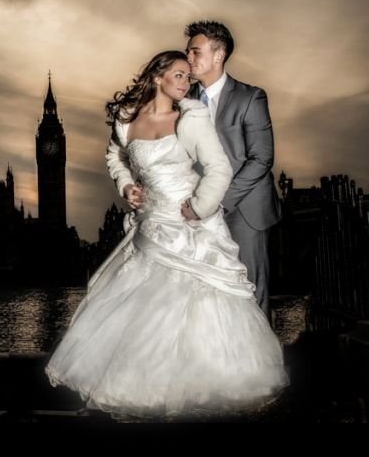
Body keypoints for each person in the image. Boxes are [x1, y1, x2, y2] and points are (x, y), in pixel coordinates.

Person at [44, 51, 288, 419]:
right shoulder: (126, 121)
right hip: (151, 225)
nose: (186, 82)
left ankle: (202, 393)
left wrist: (200, 206)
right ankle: (152, 395)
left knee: (198, 308)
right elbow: (115, 157)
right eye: (178, 75)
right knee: (148, 312)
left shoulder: (192, 116)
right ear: (157, 76)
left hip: (192, 226)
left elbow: (219, 169)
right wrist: (126, 186)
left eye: (188, 77)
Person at [185, 21, 282, 320]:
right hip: (198, 211)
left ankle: (262, 365)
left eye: (195, 51)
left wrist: (218, 199)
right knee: (204, 291)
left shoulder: (250, 97)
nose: (188, 58)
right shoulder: (183, 99)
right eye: (188, 52)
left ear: (219, 55)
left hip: (245, 210)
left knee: (250, 291)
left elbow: (261, 159)